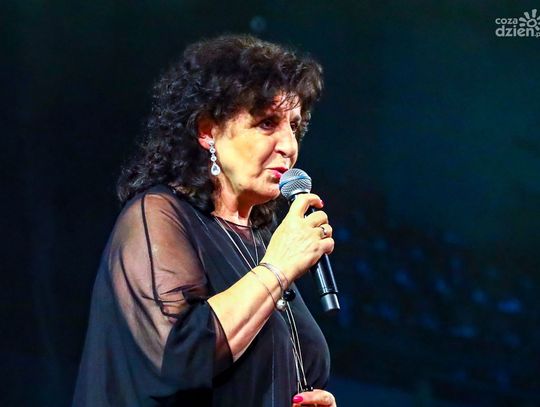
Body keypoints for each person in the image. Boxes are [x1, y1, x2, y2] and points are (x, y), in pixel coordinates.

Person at [73, 34, 337, 407]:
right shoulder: (157, 215)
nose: (289, 146)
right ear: (207, 130)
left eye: (293, 126)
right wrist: (278, 268)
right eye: (267, 123)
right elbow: (179, 356)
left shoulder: (260, 242)